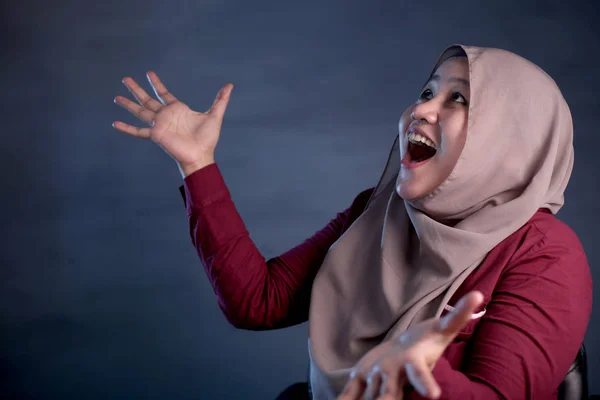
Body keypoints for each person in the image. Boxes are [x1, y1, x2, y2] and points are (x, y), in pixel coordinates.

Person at [112, 45, 592, 399]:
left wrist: (419, 375)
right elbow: (258, 302)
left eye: (458, 100)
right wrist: (198, 165)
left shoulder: (545, 253)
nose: (421, 109)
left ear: (509, 139)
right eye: (428, 91)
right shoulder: (376, 211)